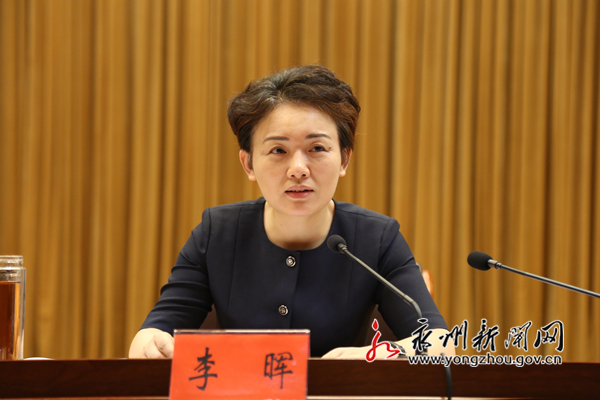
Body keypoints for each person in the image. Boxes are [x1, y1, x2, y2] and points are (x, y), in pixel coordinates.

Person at [129, 65, 454, 359]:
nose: (298, 168)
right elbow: (152, 332)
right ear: (248, 163)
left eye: (317, 148)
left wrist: (375, 355)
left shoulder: (377, 238)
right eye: (278, 150)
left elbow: (440, 342)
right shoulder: (217, 232)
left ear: (344, 159)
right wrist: (152, 344)